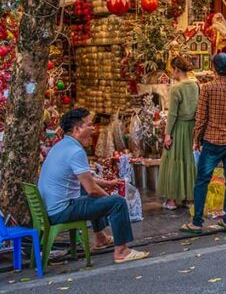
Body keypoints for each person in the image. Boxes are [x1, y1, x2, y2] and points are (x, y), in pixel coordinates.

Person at [38, 108, 148, 264]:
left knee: (90, 194)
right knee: (117, 203)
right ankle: (122, 251)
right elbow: (92, 189)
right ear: (77, 129)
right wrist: (109, 198)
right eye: (89, 125)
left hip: (52, 208)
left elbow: (86, 180)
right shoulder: (75, 151)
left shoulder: (61, 146)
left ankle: (100, 238)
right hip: (61, 211)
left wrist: (107, 183)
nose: (93, 128)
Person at [183, 52, 226, 234]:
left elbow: (201, 117)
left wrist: (196, 139)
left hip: (211, 140)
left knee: (202, 181)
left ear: (213, 68)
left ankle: (197, 222)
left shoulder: (207, 88)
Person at [159, 56, 199, 210]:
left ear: (176, 69)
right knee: (189, 161)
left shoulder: (176, 88)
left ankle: (172, 200)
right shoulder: (195, 85)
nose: (172, 73)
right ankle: (190, 198)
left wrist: (167, 134)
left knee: (173, 161)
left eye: (172, 70)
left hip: (179, 128)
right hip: (192, 128)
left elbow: (172, 114)